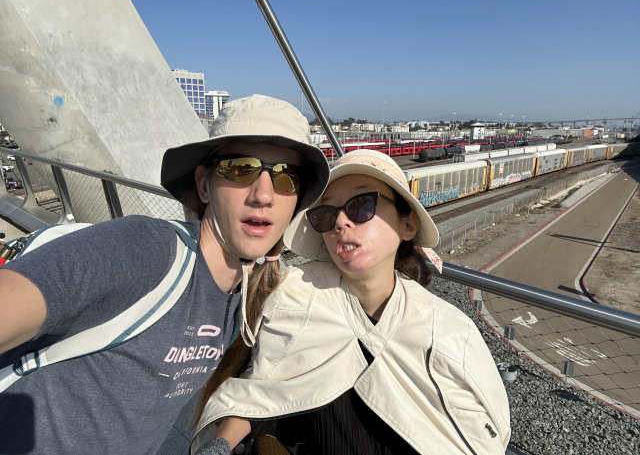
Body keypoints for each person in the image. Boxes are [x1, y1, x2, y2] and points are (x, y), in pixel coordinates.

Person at [0, 94, 330, 454]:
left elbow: (260, 382)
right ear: (204, 185)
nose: (264, 194)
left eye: (287, 177)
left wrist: (219, 444)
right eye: (240, 168)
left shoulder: (249, 293)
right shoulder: (143, 249)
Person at [192, 150, 511, 455]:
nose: (341, 223)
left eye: (361, 205)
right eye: (327, 213)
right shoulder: (302, 300)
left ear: (407, 225)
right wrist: (220, 443)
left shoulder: (449, 331)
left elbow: (484, 432)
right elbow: (263, 384)